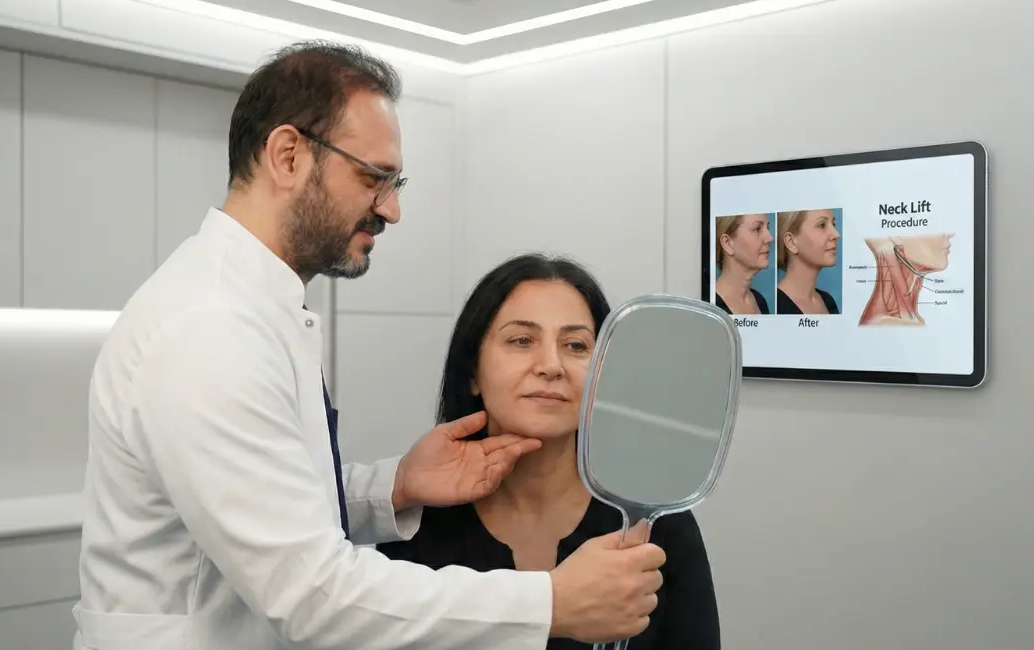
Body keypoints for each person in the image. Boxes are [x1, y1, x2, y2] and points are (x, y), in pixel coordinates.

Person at [73, 41, 667, 650]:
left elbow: (273, 503)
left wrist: (395, 486)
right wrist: (550, 602)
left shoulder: (254, 311)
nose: (392, 208)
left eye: (575, 345)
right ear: (287, 156)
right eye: (374, 178)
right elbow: (311, 595)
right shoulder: (208, 329)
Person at [378, 253, 722, 650]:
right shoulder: (413, 523)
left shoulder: (656, 525)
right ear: (473, 371)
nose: (551, 365)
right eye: (521, 340)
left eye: (576, 345)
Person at [775, 209, 840, 314]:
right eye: (822, 225)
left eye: (833, 224)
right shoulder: (777, 306)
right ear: (791, 242)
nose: (836, 234)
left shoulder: (828, 301)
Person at [714, 213, 773, 315]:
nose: (770, 238)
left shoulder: (760, 301)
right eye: (757, 229)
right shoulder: (711, 306)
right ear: (727, 243)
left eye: (768, 227)